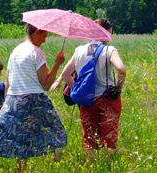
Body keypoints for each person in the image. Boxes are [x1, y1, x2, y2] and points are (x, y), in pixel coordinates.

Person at [0, 24, 67, 172]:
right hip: (34, 100)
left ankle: (21, 169)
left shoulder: (16, 51)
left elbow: (8, 81)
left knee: (19, 137)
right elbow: (46, 84)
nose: (45, 40)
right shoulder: (37, 52)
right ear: (37, 32)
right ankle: (57, 165)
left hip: (13, 99)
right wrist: (57, 64)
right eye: (44, 35)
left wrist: (6, 102)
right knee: (57, 132)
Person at [54, 19, 126, 160]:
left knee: (90, 137)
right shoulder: (109, 50)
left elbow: (66, 74)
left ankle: (92, 166)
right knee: (109, 137)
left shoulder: (79, 50)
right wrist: (118, 88)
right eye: (110, 33)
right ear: (105, 32)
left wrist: (76, 90)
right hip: (107, 98)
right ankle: (107, 167)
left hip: (86, 100)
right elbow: (121, 69)